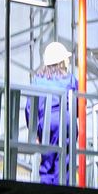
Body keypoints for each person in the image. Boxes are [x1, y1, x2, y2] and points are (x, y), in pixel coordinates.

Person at [26, 41, 75, 184]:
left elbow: (30, 107)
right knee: (64, 161)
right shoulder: (70, 79)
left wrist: (33, 131)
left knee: (47, 160)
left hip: (45, 124)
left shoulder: (37, 80)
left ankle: (46, 189)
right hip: (66, 122)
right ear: (61, 61)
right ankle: (63, 191)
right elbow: (78, 105)